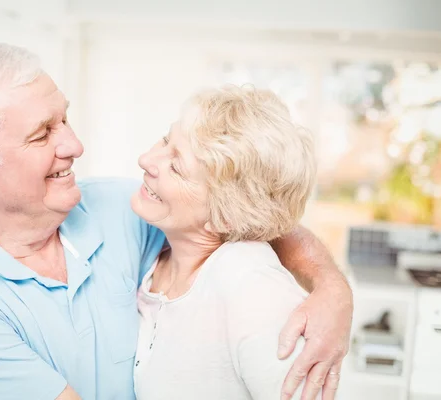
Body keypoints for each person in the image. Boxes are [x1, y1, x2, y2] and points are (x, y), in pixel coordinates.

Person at [0, 43, 352, 400]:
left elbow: (254, 216)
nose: (75, 144)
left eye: (65, 119)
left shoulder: (120, 208)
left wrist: (333, 286)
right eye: (43, 133)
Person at [132, 85, 323, 399]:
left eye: (176, 166)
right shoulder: (155, 258)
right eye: (166, 140)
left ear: (224, 216)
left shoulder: (251, 285)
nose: (146, 159)